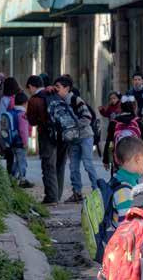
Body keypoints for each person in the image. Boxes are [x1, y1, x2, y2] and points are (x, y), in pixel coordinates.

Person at [98, 136, 143, 280]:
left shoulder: (123, 181)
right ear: (137, 159)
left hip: (126, 250)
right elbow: (128, 224)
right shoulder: (125, 189)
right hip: (126, 252)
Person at [55, 75, 98, 203]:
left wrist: (74, 126)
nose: (56, 90)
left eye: (58, 87)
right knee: (73, 167)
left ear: (67, 88)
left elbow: (88, 117)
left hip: (85, 137)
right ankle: (77, 193)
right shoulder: (58, 103)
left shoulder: (75, 100)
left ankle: (96, 191)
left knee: (88, 164)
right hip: (73, 140)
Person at [26, 75, 68, 206]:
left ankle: (51, 197)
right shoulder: (55, 93)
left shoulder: (35, 100)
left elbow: (32, 121)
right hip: (63, 134)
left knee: (48, 166)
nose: (29, 91)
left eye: (29, 89)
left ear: (32, 86)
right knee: (60, 165)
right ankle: (57, 195)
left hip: (47, 135)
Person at [102, 94, 143, 176]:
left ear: (121, 106)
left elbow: (109, 142)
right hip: (135, 159)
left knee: (118, 181)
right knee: (133, 182)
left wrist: (105, 160)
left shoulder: (114, 122)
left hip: (119, 159)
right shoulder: (138, 122)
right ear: (134, 106)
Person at [0, 77, 21, 175]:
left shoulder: (4, 99)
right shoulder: (19, 97)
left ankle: (10, 175)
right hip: (19, 128)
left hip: (8, 130)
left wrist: (0, 133)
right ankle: (19, 175)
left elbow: (0, 117)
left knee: (9, 153)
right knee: (19, 153)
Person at [10, 92, 34, 188]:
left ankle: (13, 178)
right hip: (20, 142)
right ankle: (22, 179)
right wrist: (25, 142)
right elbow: (23, 130)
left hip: (13, 141)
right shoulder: (22, 114)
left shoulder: (12, 112)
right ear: (25, 103)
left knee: (16, 161)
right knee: (22, 161)